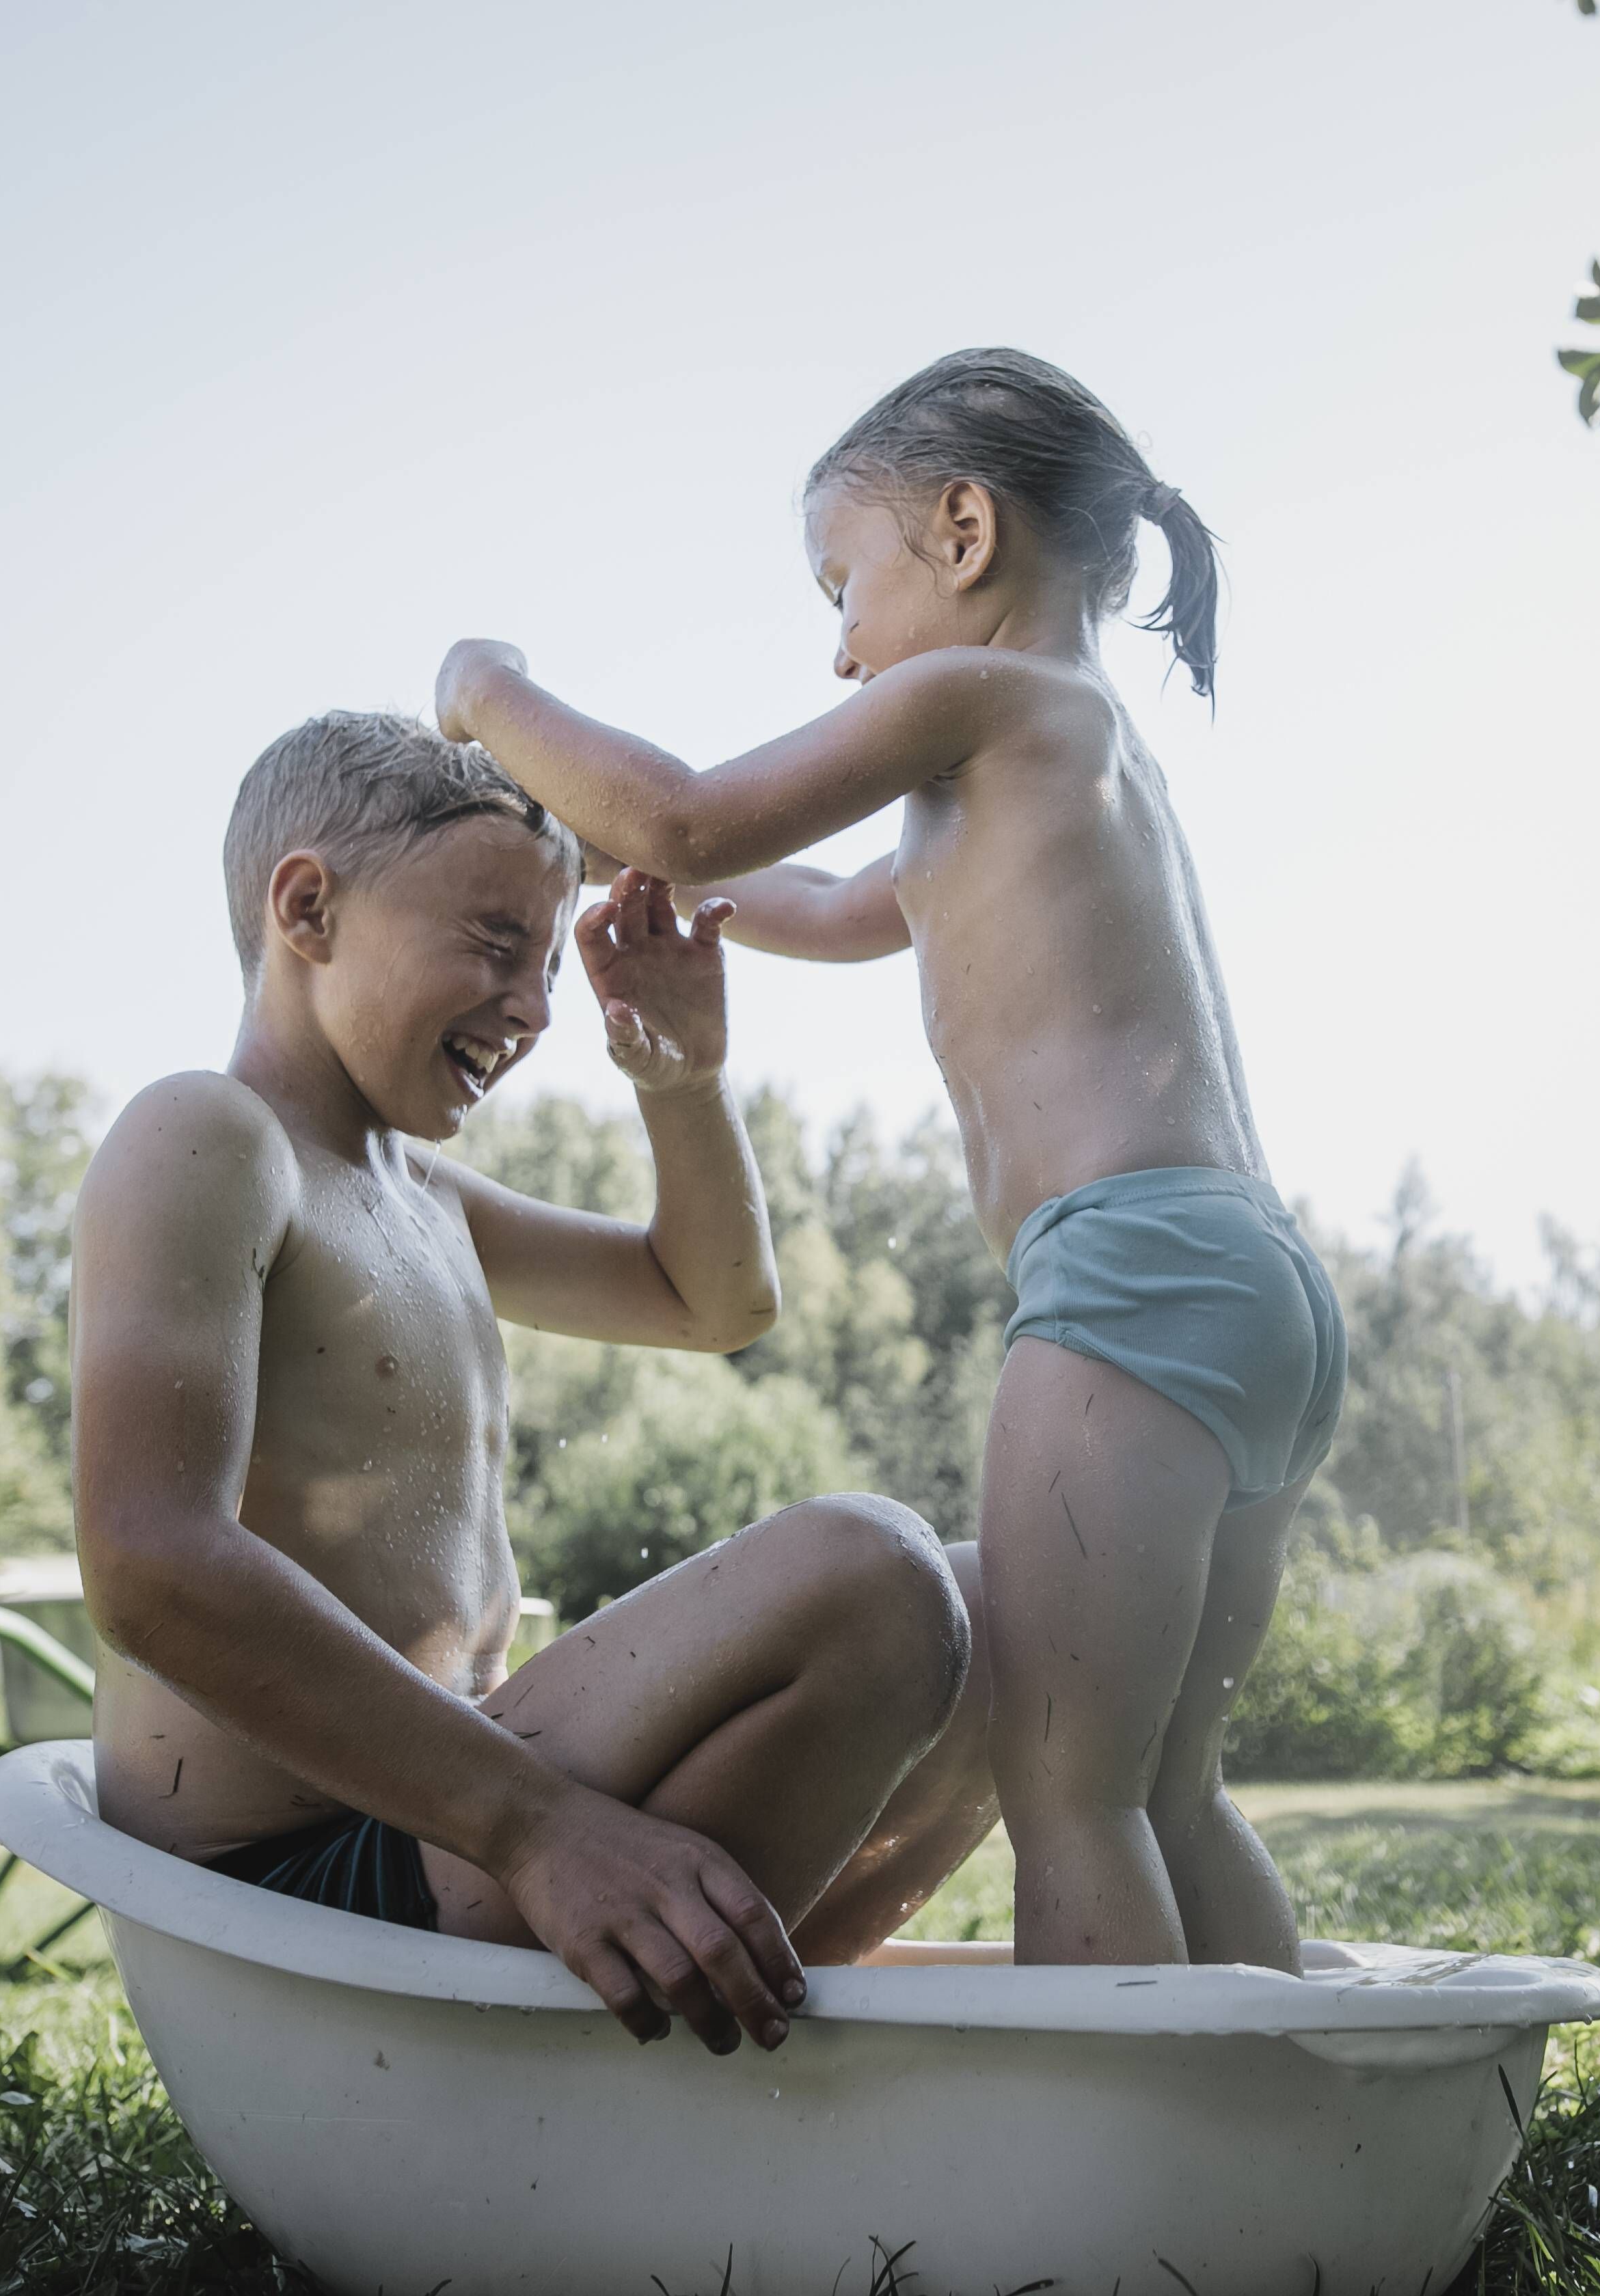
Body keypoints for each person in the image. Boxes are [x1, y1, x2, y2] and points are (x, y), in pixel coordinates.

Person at [435, 348, 1342, 1971]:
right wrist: (612, 861)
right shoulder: (1060, 758)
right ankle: (1302, 2146)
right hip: (1251, 1289)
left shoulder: (980, 697)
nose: (840, 645)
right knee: (1171, 1791)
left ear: (966, 531)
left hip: (1125, 1277)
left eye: (845, 582)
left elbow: (703, 822)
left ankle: (1128, 2196)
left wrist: (488, 692)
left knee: (1072, 1799)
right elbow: (810, 902)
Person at [71, 710, 996, 2055]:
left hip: (462, 1829)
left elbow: (714, 1301)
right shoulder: (209, 1138)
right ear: (309, 907)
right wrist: (541, 1826)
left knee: (997, 1608)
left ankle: (756, 2017)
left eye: (550, 964)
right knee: (871, 1574)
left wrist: (683, 1074)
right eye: (498, 946)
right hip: (317, 1902)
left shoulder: (418, 1193)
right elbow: (148, 1559)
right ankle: (676, 2047)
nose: (536, 1009)